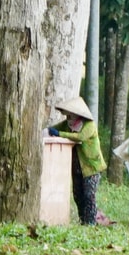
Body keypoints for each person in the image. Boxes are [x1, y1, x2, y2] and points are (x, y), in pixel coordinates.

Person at [49, 96, 107, 225]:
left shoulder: (89, 125)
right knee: (78, 195)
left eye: (71, 115)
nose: (69, 118)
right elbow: (54, 128)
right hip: (76, 167)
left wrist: (60, 134)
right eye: (67, 116)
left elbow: (80, 137)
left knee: (89, 195)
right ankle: (83, 220)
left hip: (92, 166)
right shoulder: (67, 125)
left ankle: (90, 222)